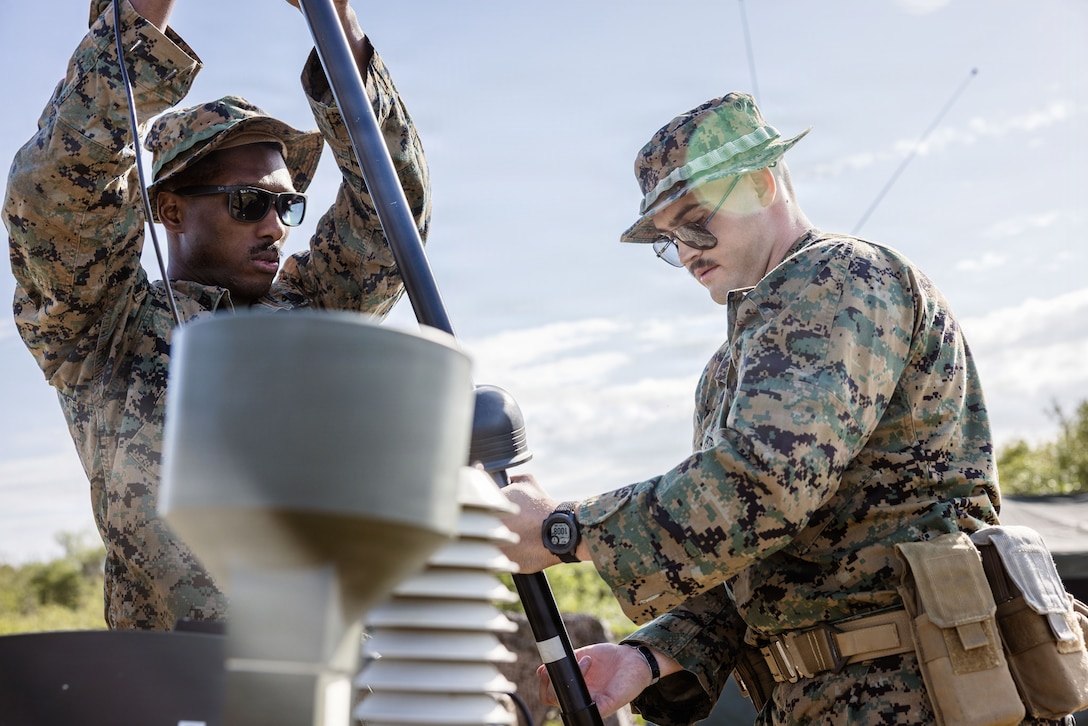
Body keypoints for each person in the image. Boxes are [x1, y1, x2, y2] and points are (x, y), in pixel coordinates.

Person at [499, 92, 1035, 724]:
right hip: (819, 701)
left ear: (760, 183)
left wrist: (563, 529)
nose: (688, 250)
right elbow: (749, 558)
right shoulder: (730, 366)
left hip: (927, 691)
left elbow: (764, 486)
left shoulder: (840, 278)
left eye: (697, 218)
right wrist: (646, 658)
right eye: (669, 239)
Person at [5, 0, 429, 631]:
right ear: (171, 210)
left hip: (337, 679)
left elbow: (392, 217)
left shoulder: (313, 313)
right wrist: (138, 22)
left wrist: (339, 20)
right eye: (248, 202)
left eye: (286, 206)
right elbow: (59, 195)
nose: (273, 226)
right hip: (175, 688)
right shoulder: (105, 330)